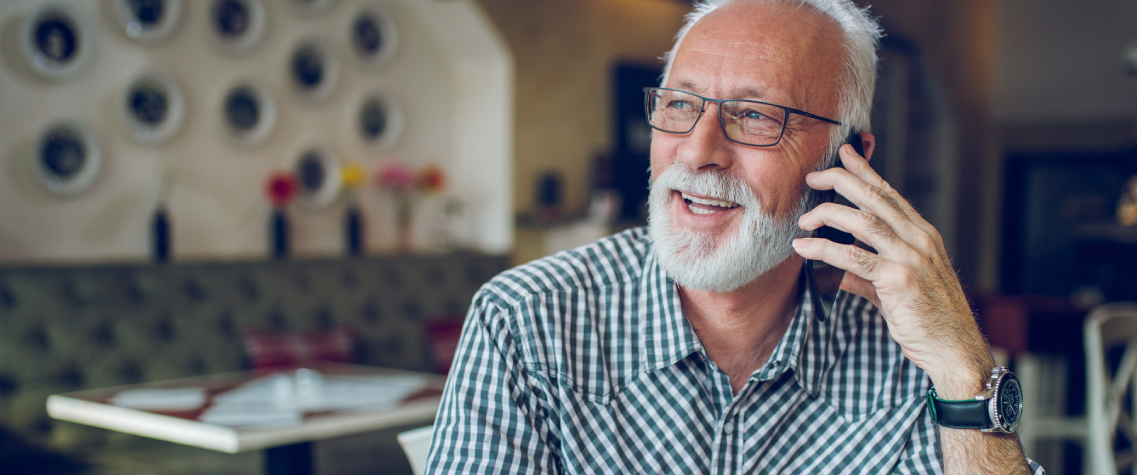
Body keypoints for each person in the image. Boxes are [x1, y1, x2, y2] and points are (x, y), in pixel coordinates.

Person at [428, 0, 1043, 473]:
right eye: (679, 105)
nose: (697, 153)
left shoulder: (903, 353)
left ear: (849, 158)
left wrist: (963, 368)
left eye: (754, 116)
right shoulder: (527, 322)